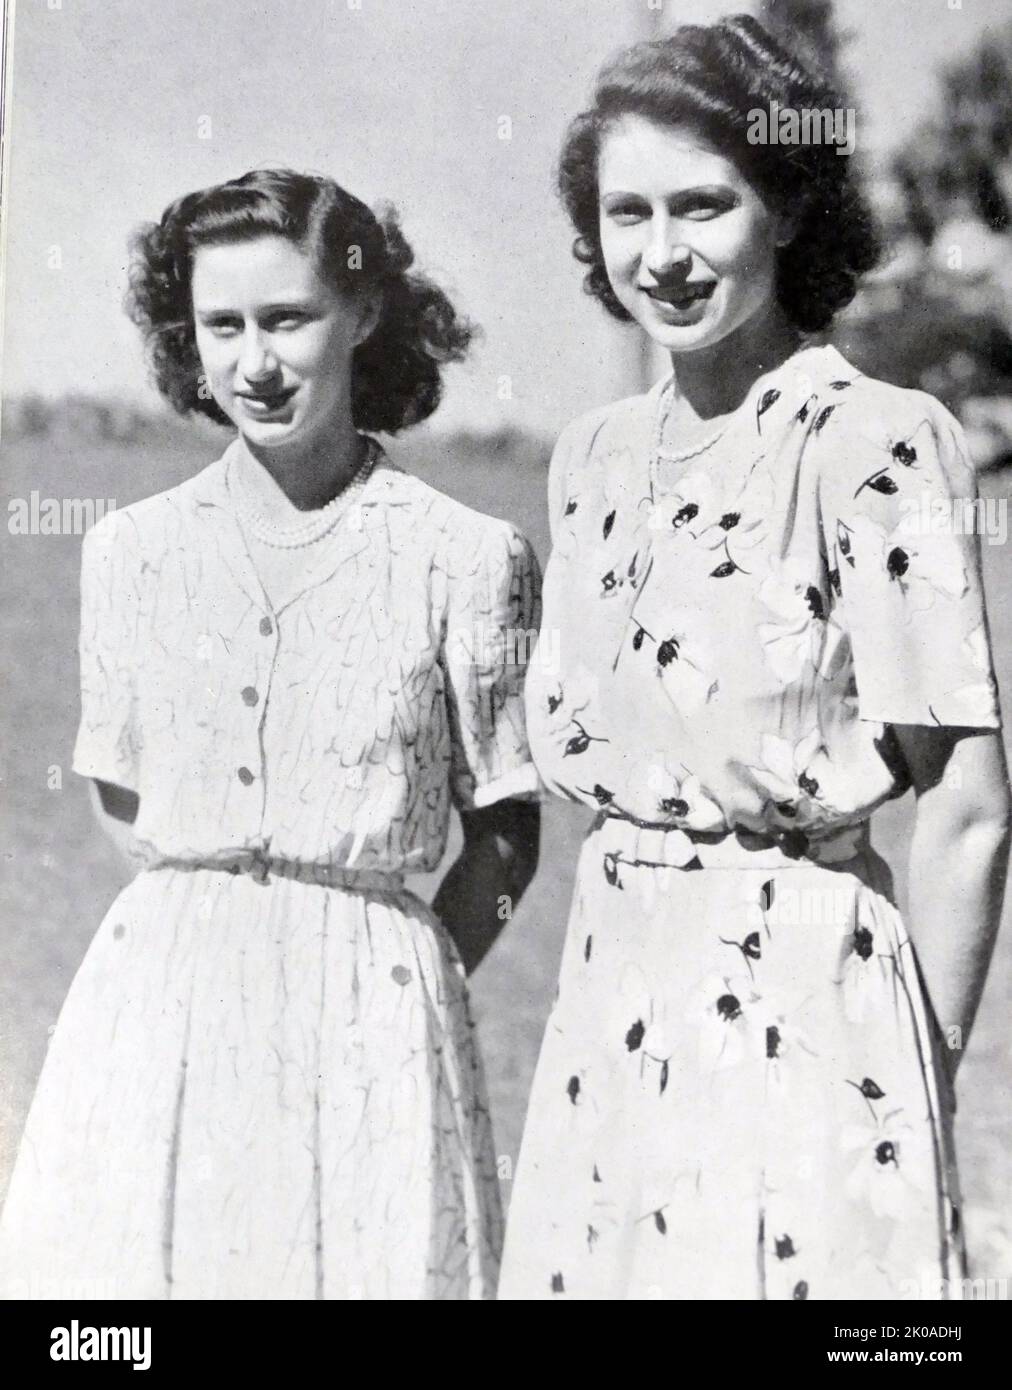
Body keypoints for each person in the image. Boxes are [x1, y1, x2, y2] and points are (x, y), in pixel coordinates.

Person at [499, 17, 1009, 1301]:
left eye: (702, 205)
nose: (660, 254)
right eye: (627, 213)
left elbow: (964, 809)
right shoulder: (591, 460)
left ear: (783, 209)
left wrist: (913, 1064)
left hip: (807, 1007)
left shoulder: (879, 440)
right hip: (608, 1004)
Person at [0, 168, 540, 1301]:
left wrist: (418, 971)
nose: (254, 362)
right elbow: (123, 793)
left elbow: (506, 831)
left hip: (378, 1021)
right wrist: (214, 921)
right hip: (158, 1014)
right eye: (222, 325)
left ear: (363, 313)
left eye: (287, 320)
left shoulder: (466, 556)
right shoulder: (130, 552)